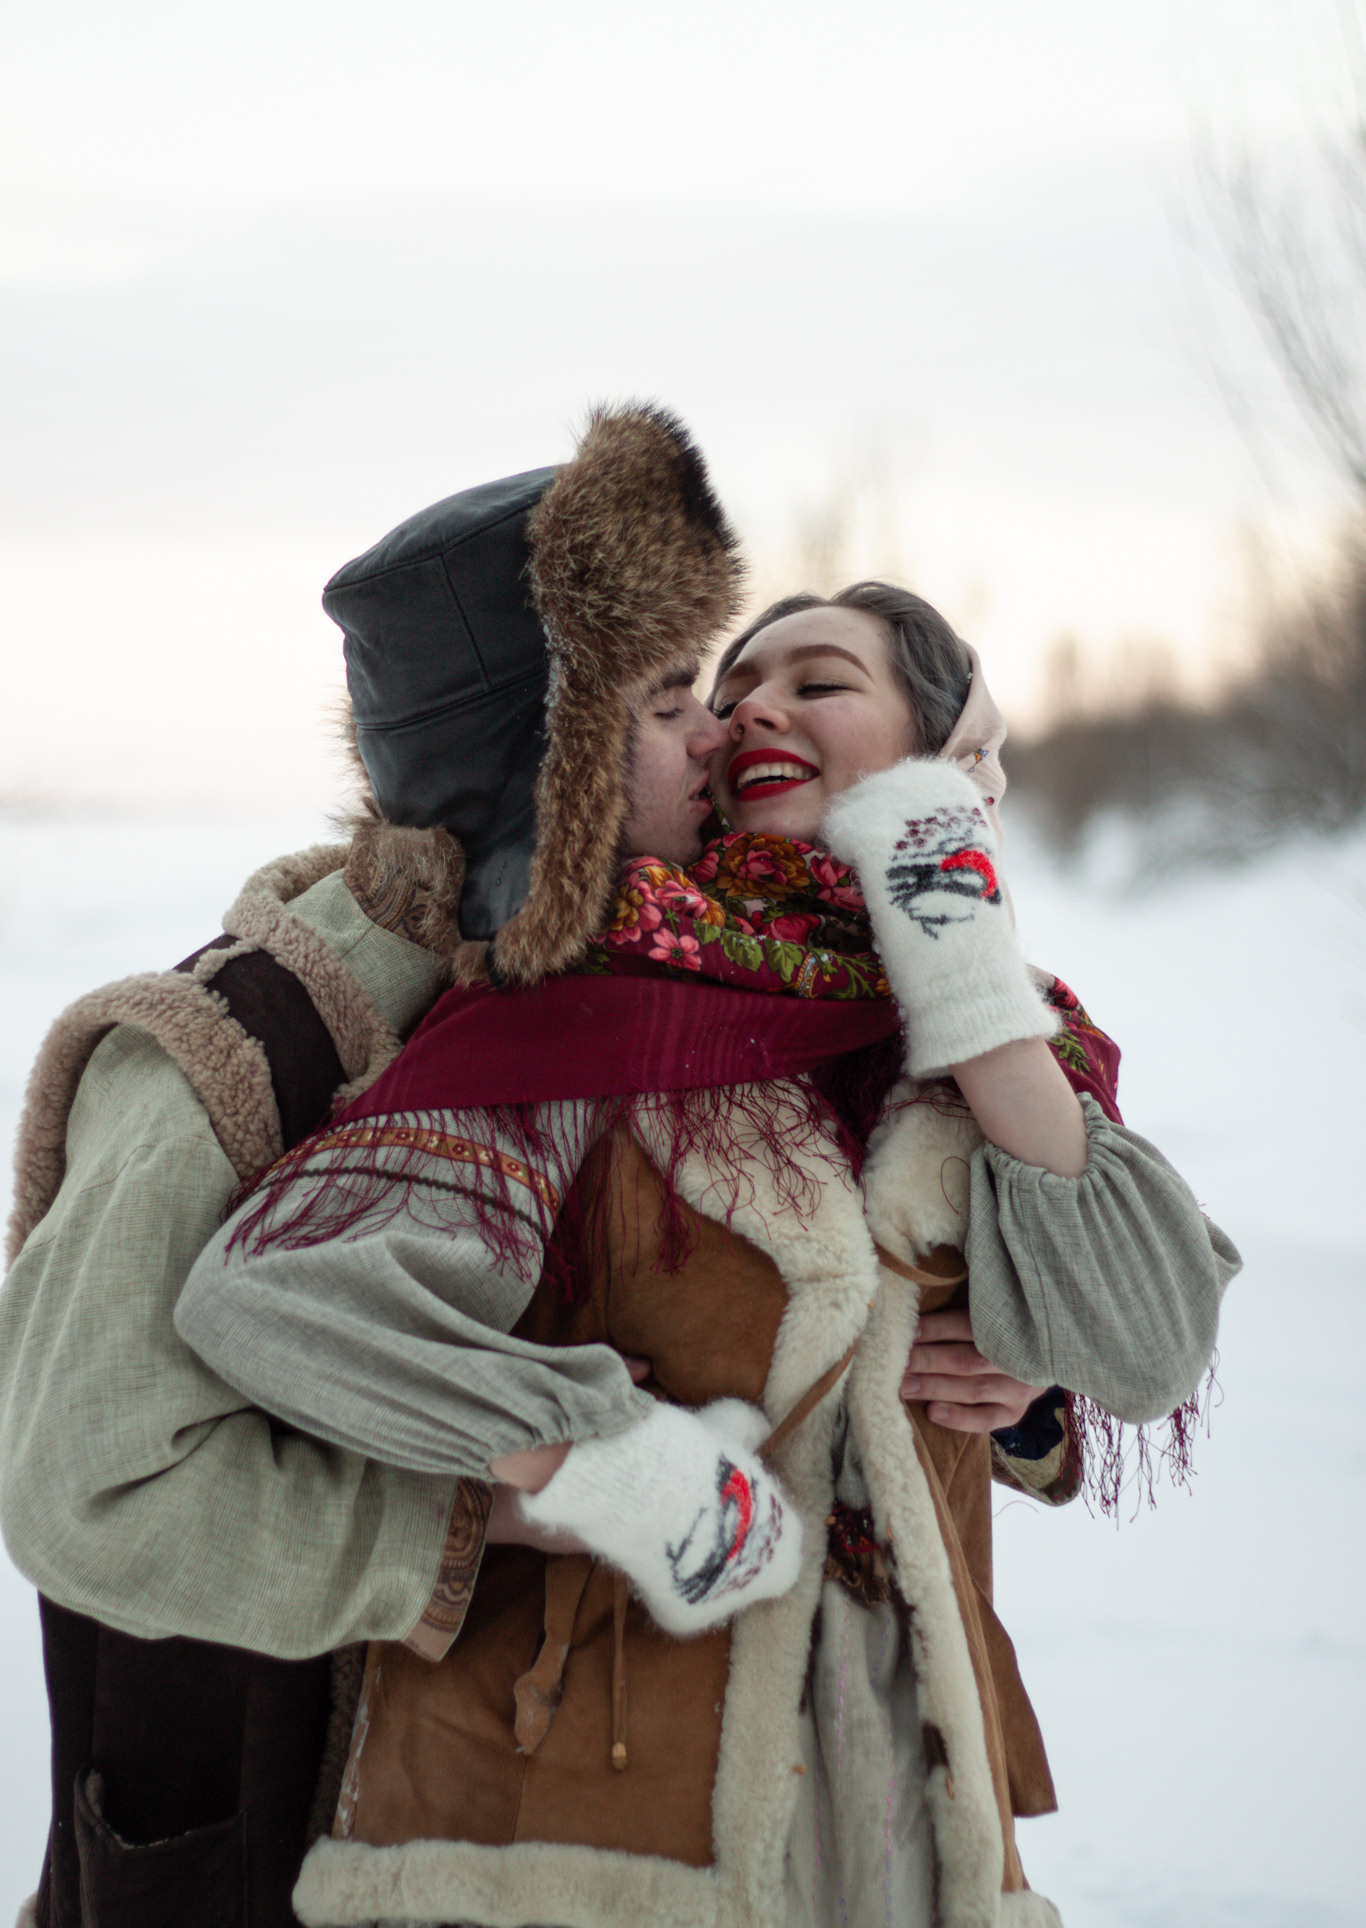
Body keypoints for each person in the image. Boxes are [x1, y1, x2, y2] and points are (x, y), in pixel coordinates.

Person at [170, 579, 1240, 1927]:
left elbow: (1145, 1348)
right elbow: (279, 1298)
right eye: (730, 692)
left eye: (819, 682)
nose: (751, 713)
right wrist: (594, 1454)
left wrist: (965, 974)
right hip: (563, 1827)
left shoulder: (1005, 1053)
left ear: (945, 752)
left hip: (898, 1822)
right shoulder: (581, 1002)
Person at [0, 402, 746, 1928]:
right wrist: (481, 1519)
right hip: (257, 1840)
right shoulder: (237, 1050)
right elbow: (81, 1489)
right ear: (548, 760)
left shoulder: (671, 984)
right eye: (669, 700)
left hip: (561, 1827)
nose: (718, 734)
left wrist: (1002, 1387)